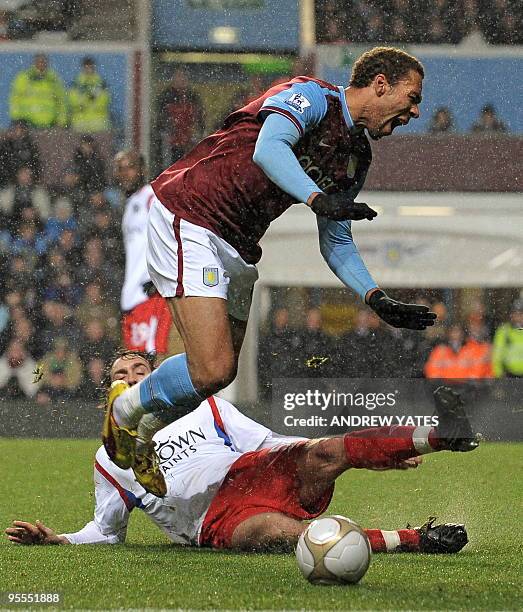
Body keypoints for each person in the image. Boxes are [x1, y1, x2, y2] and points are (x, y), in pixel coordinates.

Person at [104, 46, 436, 495]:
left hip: (239, 240)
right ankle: (124, 411)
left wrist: (375, 297)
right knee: (211, 367)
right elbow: (268, 148)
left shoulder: (355, 156)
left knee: (221, 373)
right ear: (380, 83)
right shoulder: (310, 96)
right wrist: (317, 198)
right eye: (411, 97)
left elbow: (336, 238)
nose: (415, 111)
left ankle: (143, 434)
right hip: (191, 211)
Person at [8, 351, 474, 553]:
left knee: (325, 450)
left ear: (156, 379)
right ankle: (410, 539)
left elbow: (270, 444)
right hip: (215, 518)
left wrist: (375, 456)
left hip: (253, 470)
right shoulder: (109, 460)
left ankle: (438, 435)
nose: (131, 377)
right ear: (107, 394)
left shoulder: (209, 406)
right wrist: (60, 540)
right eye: (121, 374)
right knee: (274, 533)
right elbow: (107, 533)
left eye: (140, 371)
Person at [114, 150, 172, 356]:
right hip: (131, 297)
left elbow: (171, 234)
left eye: (129, 167)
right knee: (134, 364)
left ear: (142, 169)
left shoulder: (152, 196)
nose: (124, 174)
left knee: (146, 361)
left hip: (148, 294)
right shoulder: (130, 204)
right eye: (120, 169)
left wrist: (157, 278)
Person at [9, 54, 67, 129]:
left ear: (47, 64)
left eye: (43, 62)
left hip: (50, 125)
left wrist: (61, 121)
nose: (41, 64)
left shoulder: (53, 79)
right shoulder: (24, 77)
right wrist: (16, 119)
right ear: (34, 63)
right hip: (27, 124)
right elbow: (14, 99)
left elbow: (61, 101)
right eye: (38, 62)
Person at [69, 57, 111, 133]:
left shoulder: (100, 82)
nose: (88, 69)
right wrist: (86, 102)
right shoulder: (77, 82)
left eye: (90, 66)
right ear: (82, 67)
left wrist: (89, 104)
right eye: (86, 67)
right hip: (80, 121)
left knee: (98, 143)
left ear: (94, 67)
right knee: (79, 144)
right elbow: (72, 99)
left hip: (98, 121)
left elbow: (105, 99)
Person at [491, 299, 523, 378]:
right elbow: (497, 356)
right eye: (516, 313)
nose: (518, 317)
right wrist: (499, 374)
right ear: (511, 315)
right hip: (509, 375)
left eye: (521, 314)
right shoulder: (503, 331)